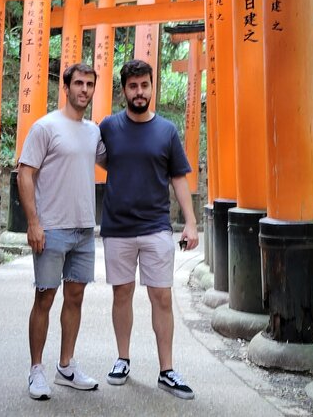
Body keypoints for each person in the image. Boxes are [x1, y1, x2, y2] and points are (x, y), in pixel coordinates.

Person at [98, 59, 200, 400]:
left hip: (156, 226)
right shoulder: (109, 128)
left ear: (152, 87)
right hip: (118, 227)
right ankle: (122, 359)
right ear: (124, 90)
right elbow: (100, 158)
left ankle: (166, 370)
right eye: (133, 86)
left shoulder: (167, 131)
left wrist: (190, 221)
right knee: (122, 293)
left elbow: (178, 178)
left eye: (144, 85)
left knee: (162, 296)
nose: (139, 92)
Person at [17, 63, 104, 400]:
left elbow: (116, 161)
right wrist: (34, 222)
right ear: (66, 87)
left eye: (90, 84)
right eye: (79, 83)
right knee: (45, 297)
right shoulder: (45, 127)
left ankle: (66, 365)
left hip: (84, 228)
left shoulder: (94, 131)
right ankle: (36, 369)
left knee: (76, 297)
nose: (84, 89)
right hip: (51, 227)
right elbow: (25, 173)